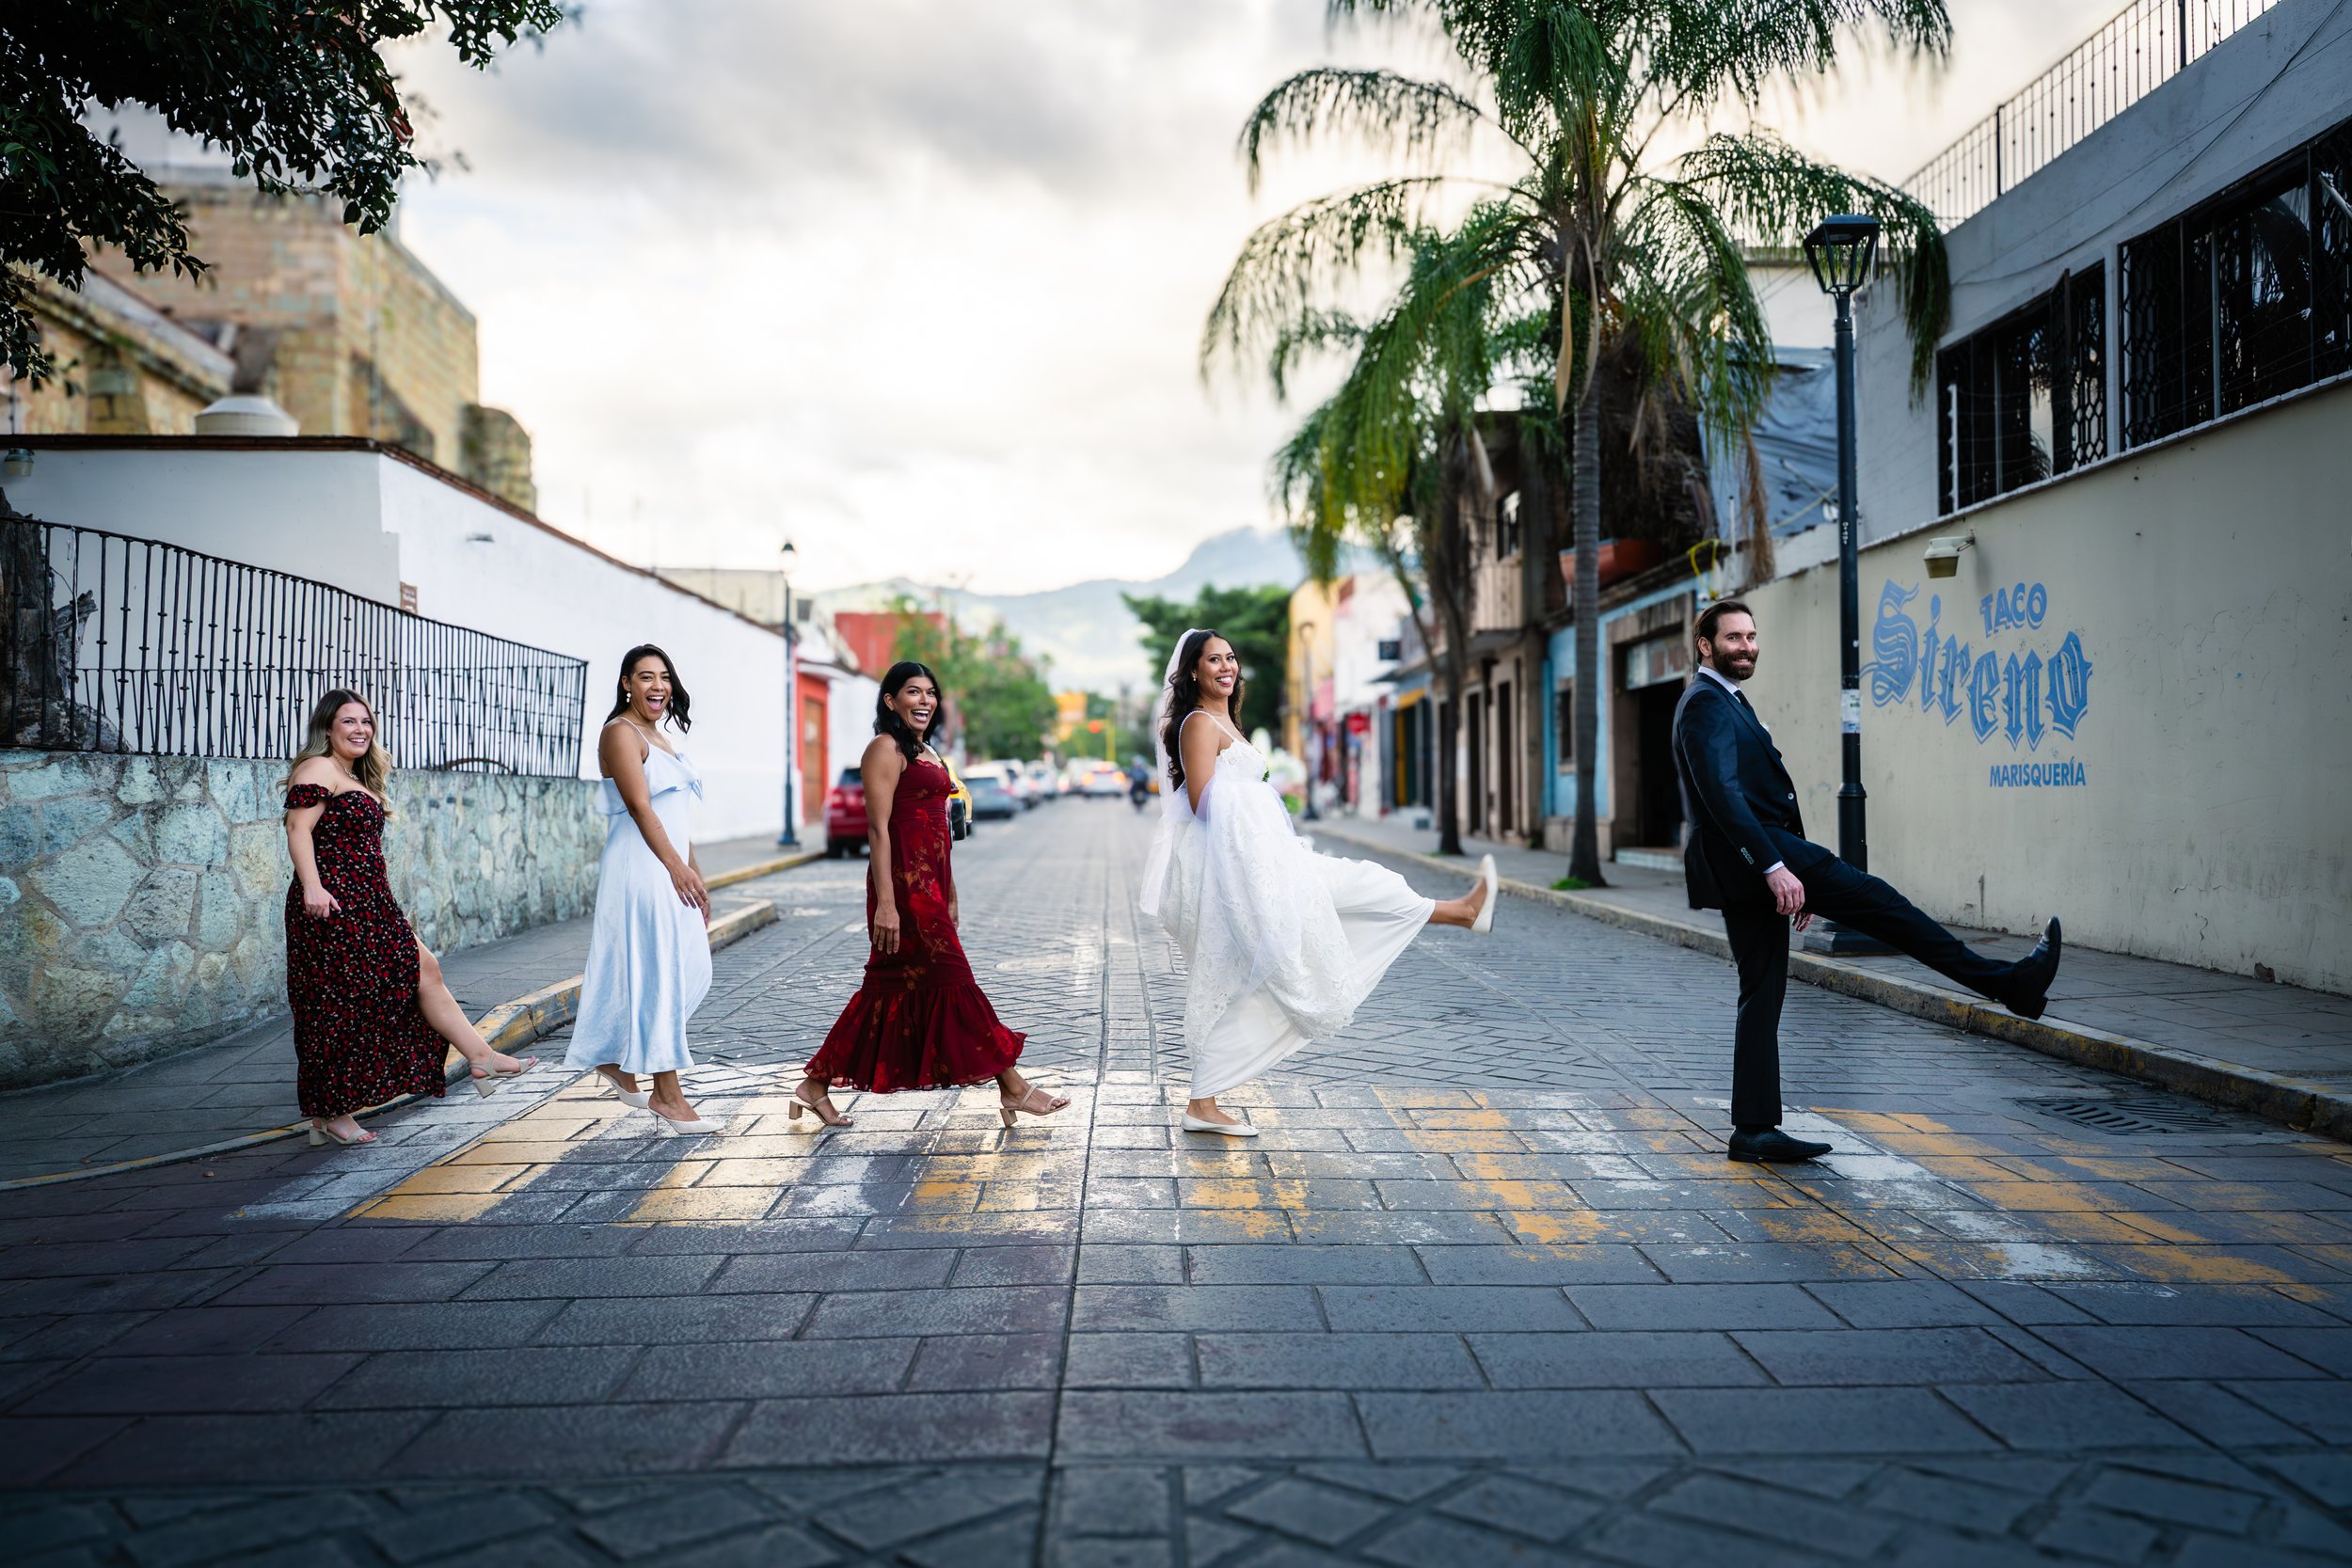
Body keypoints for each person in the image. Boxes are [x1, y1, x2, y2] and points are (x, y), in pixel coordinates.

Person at [1672, 599, 2061, 1164]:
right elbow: (1723, 796)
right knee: (1881, 905)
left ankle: (1753, 1130)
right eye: (1734, 638)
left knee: (1762, 991)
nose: (1748, 646)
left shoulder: (1722, 700)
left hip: (1751, 861)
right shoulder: (1706, 703)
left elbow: (1746, 793)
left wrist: (1780, 873)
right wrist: (1777, 868)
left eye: (1752, 636)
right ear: (1706, 645)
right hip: (1759, 856)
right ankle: (2009, 984)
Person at [1138, 628, 1497, 1137]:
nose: (1227, 667)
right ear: (1193, 670)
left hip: (1271, 860)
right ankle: (1202, 1102)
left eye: (1231, 658)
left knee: (1363, 886)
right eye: (1213, 659)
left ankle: (1461, 913)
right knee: (1241, 978)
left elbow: (1230, 790)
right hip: (1240, 871)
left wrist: (1261, 803)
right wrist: (1259, 801)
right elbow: (1201, 802)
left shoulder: (1226, 720)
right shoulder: (1198, 723)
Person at [795, 661, 1067, 1130]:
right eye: (913, 692)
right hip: (902, 890)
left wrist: (951, 889)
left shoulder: (925, 751)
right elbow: (878, 831)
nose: (924, 701)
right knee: (954, 980)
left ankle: (814, 1087)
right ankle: (1014, 1088)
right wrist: (886, 903)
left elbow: (942, 827)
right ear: (891, 701)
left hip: (932, 886)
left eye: (930, 693)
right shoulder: (884, 749)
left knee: (885, 990)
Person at [282, 689, 535, 1148]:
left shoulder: (351, 774)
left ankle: (480, 1056)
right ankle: (333, 1112)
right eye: (349, 722)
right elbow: (298, 829)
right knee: (338, 1005)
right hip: (334, 903)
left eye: (367, 722)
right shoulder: (318, 769)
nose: (361, 730)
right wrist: (313, 887)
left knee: (423, 972)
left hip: (370, 901)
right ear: (327, 729)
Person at [566, 644, 719, 1133]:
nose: (658, 686)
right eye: (645, 677)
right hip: (641, 869)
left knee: (667, 968)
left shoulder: (661, 735)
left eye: (664, 677)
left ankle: (615, 1059)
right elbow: (641, 809)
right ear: (626, 684)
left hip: (667, 866)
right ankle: (668, 1094)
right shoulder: (619, 733)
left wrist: (694, 872)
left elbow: (677, 818)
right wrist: (675, 868)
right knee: (657, 972)